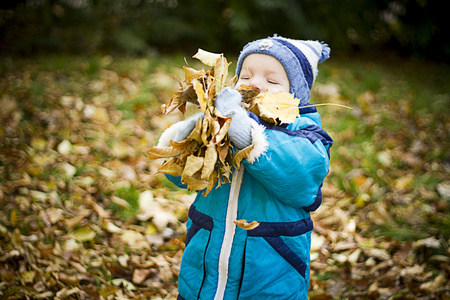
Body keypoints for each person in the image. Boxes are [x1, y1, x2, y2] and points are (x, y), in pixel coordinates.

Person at [156, 35, 333, 300]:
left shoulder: (305, 134)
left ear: (296, 94)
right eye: (246, 76)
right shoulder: (223, 125)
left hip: (269, 275)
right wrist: (193, 131)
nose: (255, 85)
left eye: (272, 81)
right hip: (203, 274)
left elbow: (302, 180)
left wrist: (245, 134)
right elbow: (181, 176)